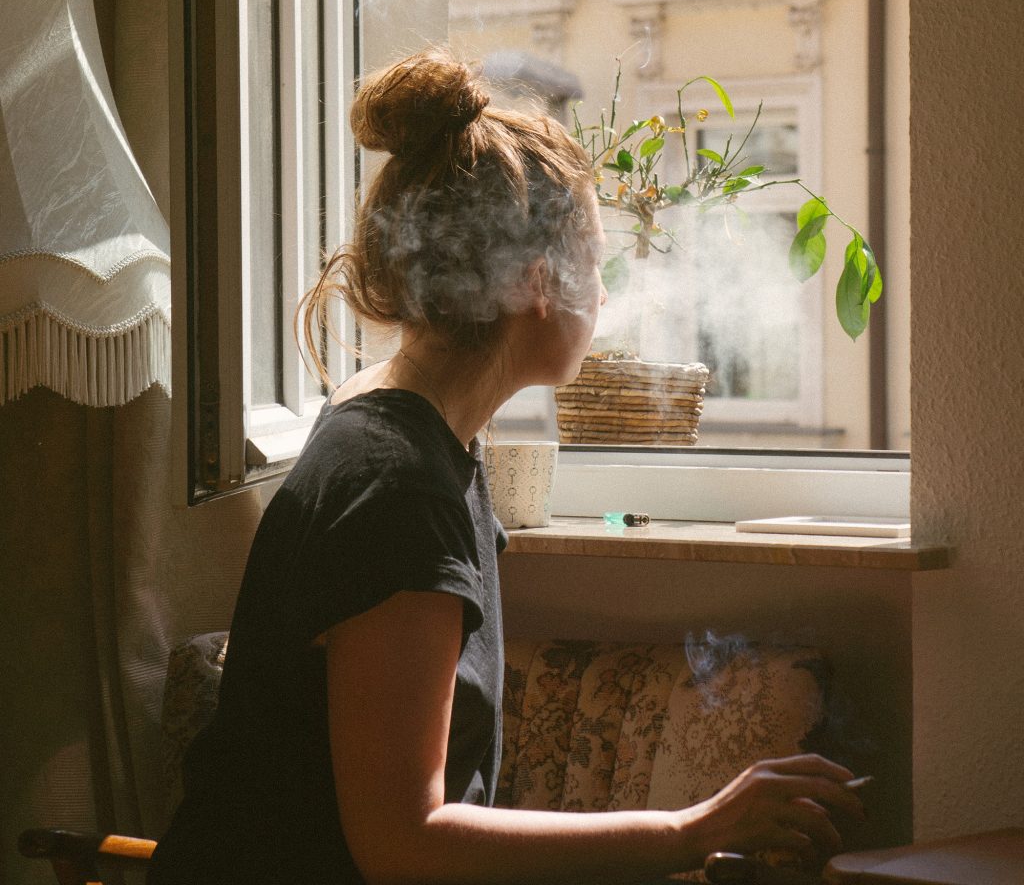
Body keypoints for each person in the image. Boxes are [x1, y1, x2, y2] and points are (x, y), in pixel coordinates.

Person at [148, 48, 863, 885]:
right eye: (594, 266)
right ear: (535, 281)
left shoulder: (407, 429)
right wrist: (689, 830)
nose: (603, 299)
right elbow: (402, 845)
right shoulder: (400, 490)